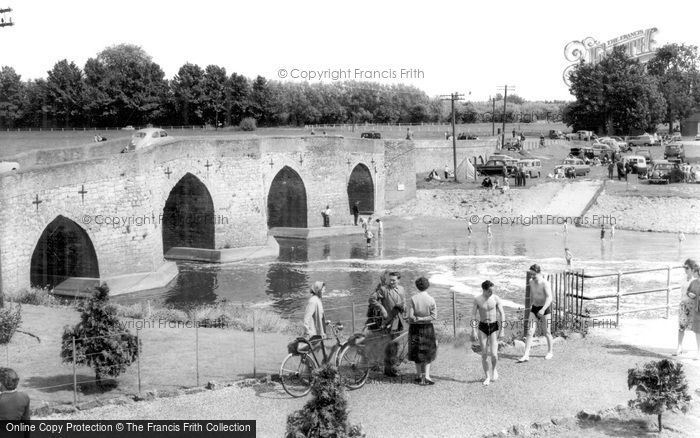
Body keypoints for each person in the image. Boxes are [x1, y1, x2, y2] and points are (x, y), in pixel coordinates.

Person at [368, 271, 407, 377]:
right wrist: (382, 308)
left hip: (400, 320)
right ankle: (388, 370)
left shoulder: (402, 289)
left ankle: (392, 367)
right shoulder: (383, 289)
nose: (391, 282)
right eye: (390, 279)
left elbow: (404, 301)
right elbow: (372, 299)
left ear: (398, 280)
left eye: (394, 280)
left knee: (397, 345)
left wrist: (405, 311)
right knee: (390, 345)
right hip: (389, 321)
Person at [471, 280, 505, 386]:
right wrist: (474, 330)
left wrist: (502, 329)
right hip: (482, 327)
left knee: (494, 354)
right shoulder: (477, 299)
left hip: (494, 327)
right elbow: (473, 315)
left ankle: (494, 370)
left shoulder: (495, 298)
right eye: (490, 291)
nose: (492, 293)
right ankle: (487, 376)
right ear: (484, 290)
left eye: (493, 291)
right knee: (484, 354)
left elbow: (502, 313)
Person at [517, 264, 554, 362]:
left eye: (534, 274)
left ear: (539, 273)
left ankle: (550, 352)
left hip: (544, 309)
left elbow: (549, 298)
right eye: (531, 274)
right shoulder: (531, 282)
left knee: (547, 332)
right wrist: (530, 306)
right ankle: (526, 355)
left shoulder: (545, 283)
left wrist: (543, 309)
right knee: (530, 332)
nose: (532, 276)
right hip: (534, 308)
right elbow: (532, 295)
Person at [408, 277, 438, 385]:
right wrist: (423, 318)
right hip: (427, 328)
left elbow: (410, 316)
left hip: (415, 328)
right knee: (428, 351)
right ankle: (427, 376)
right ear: (427, 286)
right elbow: (434, 316)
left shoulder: (413, 298)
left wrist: (416, 318)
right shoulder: (431, 299)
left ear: (417, 286)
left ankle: (418, 375)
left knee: (416, 350)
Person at [675, 259, 698, 356]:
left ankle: (698, 351)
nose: (685, 270)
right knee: (681, 327)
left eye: (687, 268)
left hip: (694, 306)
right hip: (683, 305)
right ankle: (679, 347)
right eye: (684, 267)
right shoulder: (683, 278)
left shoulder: (696, 280)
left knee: (697, 330)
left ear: (692, 269)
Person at [303, 281, 327, 361]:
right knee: (315, 356)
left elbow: (318, 316)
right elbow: (307, 317)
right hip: (314, 334)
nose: (324, 291)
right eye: (323, 289)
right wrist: (307, 331)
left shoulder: (317, 300)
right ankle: (307, 371)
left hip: (319, 333)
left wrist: (324, 323)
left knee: (321, 355)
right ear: (318, 290)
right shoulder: (313, 301)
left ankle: (316, 371)